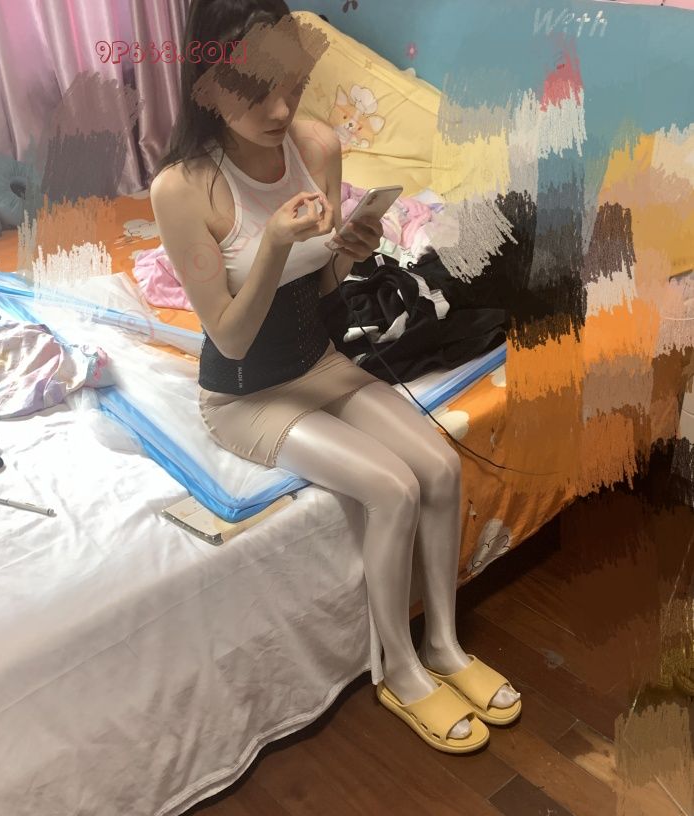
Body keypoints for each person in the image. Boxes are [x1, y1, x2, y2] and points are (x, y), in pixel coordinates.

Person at [150, 0, 521, 754]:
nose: (281, 110)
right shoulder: (181, 189)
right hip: (245, 395)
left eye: (291, 86)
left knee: (440, 467)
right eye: (258, 91)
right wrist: (274, 245)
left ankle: (445, 644)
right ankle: (399, 669)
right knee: (393, 488)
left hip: (318, 361)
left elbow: (325, 293)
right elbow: (229, 334)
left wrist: (350, 249)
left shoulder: (317, 144)